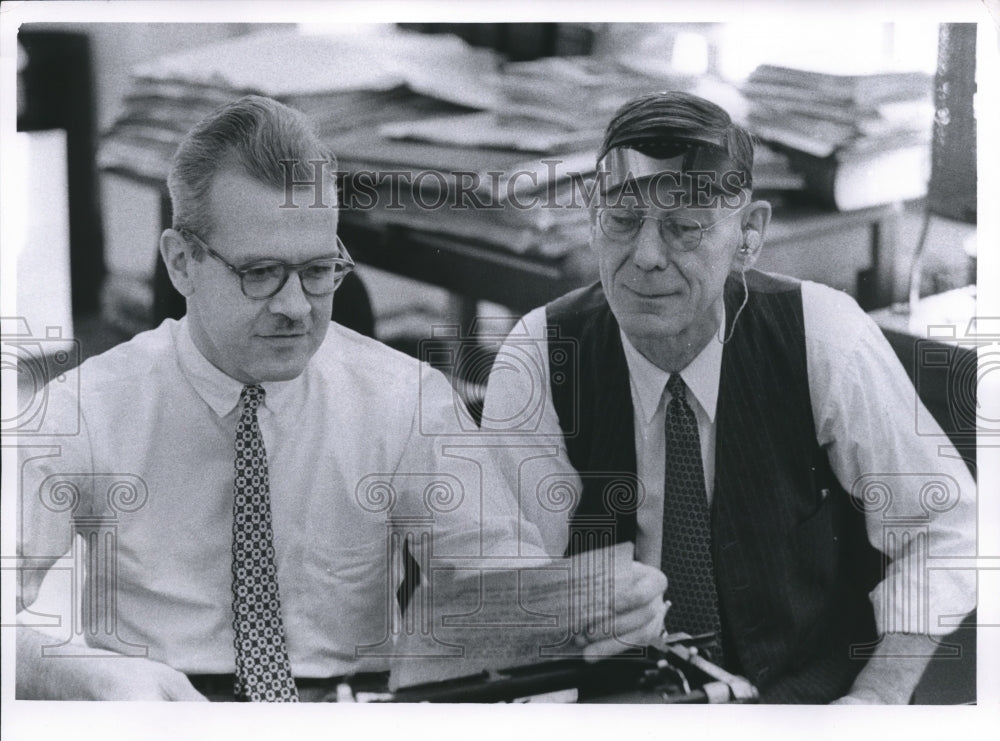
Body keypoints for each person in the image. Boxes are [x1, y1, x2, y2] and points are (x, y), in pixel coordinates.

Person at [15, 95, 667, 701]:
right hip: (160, 718)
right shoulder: (85, 407)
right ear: (182, 261)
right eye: (261, 273)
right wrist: (80, 672)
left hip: (347, 726)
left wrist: (585, 611)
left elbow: (503, 587)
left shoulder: (408, 400)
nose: (296, 307)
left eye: (319, 270)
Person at [482, 90, 977, 704]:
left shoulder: (822, 334)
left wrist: (877, 696)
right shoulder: (541, 354)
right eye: (622, 220)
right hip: (616, 706)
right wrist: (565, 612)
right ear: (590, 216)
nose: (646, 258)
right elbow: (504, 580)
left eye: (685, 229)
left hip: (804, 707)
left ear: (748, 233)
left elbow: (948, 529)